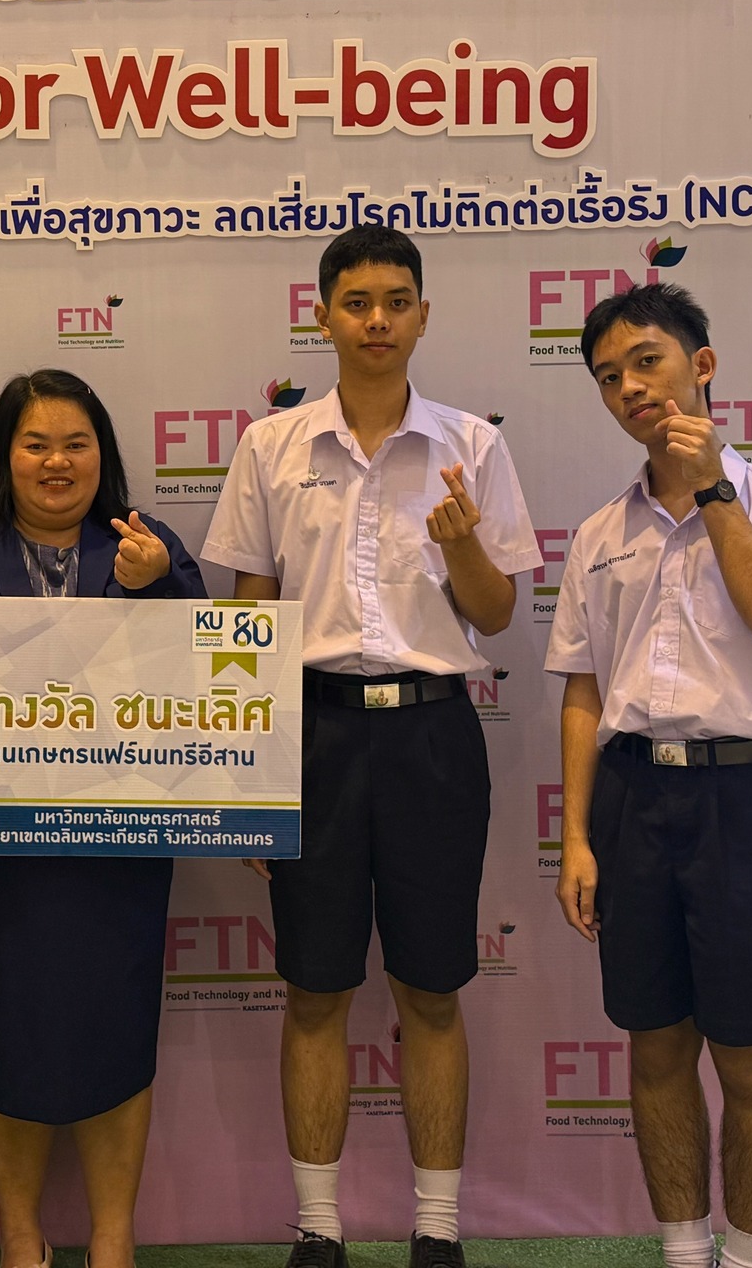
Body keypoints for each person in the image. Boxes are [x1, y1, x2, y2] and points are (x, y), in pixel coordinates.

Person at [202, 226, 540, 1268]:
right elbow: (246, 624)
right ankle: (317, 1230)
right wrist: (247, 776)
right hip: (310, 734)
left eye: (397, 301)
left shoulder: (471, 447)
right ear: (323, 316)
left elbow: (496, 613)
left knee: (430, 990)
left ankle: (436, 1231)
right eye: (356, 302)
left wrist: (461, 546)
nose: (377, 320)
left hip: (434, 734)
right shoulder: (271, 446)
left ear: (423, 315)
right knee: (314, 990)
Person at [546, 283, 752, 1268]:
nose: (629, 388)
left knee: (750, 1060)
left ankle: (746, 1259)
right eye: (608, 377)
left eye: (646, 362)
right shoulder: (599, 534)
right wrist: (575, 837)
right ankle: (682, 1251)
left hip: (742, 801)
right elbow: (582, 695)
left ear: (700, 366)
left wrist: (713, 489)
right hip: (631, 801)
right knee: (655, 1047)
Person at [0, 369, 205, 1268]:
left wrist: (156, 587)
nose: (56, 461)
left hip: (122, 848)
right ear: (4, 455)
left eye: (76, 444)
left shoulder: (149, 545)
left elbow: (212, 687)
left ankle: (114, 1238)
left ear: (102, 457)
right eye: (35, 443)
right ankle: (21, 1237)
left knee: (118, 1030)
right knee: (8, 1034)